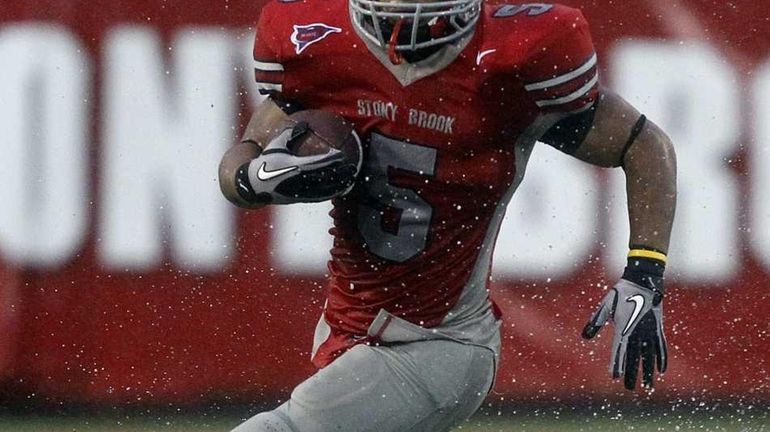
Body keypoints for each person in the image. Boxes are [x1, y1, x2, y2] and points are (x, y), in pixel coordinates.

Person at [218, 0, 677, 430]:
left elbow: (643, 146)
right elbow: (241, 166)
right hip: (348, 331)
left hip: (440, 346)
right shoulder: (322, 47)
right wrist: (252, 178)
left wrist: (644, 272)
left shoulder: (509, 62)